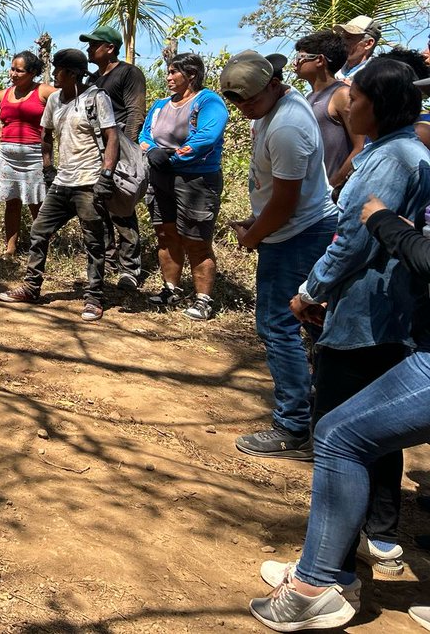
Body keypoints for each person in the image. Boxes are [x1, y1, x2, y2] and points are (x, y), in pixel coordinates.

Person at [248, 185, 430, 631]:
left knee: (339, 436)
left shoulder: (397, 159)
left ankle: (315, 588)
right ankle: (335, 577)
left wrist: (384, 222)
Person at [284, 58, 430, 584]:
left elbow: (354, 241)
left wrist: (310, 290)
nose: (347, 104)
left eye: (357, 96)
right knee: (373, 430)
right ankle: (376, 537)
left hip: (366, 313)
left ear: (377, 104)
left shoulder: (391, 158)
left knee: (341, 431)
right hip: (385, 311)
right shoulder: (398, 151)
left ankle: (332, 565)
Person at [220, 50, 337, 461]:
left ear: (273, 84)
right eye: (237, 102)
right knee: (312, 323)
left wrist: (253, 237)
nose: (245, 108)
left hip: (297, 234)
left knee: (277, 326)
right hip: (292, 228)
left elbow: (286, 204)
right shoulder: (275, 109)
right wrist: (257, 219)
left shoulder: (287, 126)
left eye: (250, 99)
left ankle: (293, 427)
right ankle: (324, 416)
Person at [0, 48, 118, 321]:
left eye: (58, 70)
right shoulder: (54, 99)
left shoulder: (96, 98)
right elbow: (46, 135)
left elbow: (112, 137)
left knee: (93, 240)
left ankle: (94, 297)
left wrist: (106, 175)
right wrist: (48, 167)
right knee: (39, 230)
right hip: (63, 181)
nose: (54, 74)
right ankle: (32, 287)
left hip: (89, 181)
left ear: (72, 73)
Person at [139, 53, 228, 320]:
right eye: (168, 72)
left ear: (191, 74)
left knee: (196, 239)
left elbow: (207, 137)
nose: (168, 77)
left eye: (173, 72)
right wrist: (152, 151)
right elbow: (145, 134)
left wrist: (174, 159)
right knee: (165, 235)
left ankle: (203, 300)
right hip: (160, 177)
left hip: (196, 180)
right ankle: (171, 290)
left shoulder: (208, 101)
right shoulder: (160, 105)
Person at [82, 24, 146, 289]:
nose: (89, 49)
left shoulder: (128, 73)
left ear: (110, 48)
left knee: (122, 207)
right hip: (94, 150)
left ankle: (130, 268)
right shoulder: (92, 81)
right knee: (98, 205)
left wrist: (126, 151)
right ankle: (107, 261)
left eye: (94, 45)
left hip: (118, 149)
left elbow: (135, 112)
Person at [0, 50, 54, 257]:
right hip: (8, 156)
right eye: (12, 69)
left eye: (19, 71)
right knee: (11, 202)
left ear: (32, 73)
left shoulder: (43, 91)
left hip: (34, 155)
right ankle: (10, 247)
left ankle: (40, 247)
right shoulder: (4, 94)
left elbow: (67, 100)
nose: (13, 74)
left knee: (37, 202)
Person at [291, 30, 364, 197]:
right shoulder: (308, 98)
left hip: (335, 197)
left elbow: (360, 147)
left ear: (319, 60)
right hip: (314, 196)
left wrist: (333, 185)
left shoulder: (341, 95)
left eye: (300, 58)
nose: (295, 63)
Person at [333, 15, 379, 84]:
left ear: (368, 44)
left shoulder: (375, 78)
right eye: (342, 38)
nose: (343, 42)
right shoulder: (334, 69)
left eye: (349, 38)